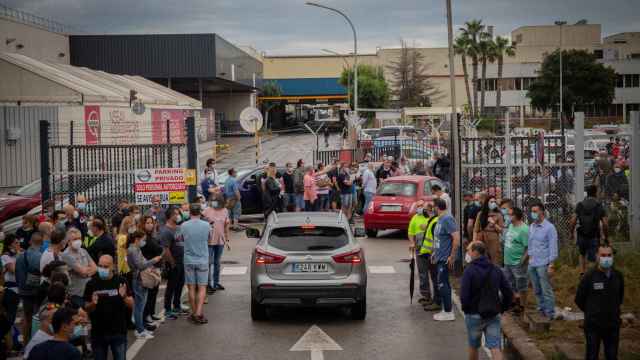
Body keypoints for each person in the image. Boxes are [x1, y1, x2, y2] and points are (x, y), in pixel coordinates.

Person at [461, 241, 513, 360]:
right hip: (493, 314)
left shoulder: (469, 270)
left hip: (474, 314)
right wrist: (502, 308)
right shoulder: (496, 269)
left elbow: (464, 295)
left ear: (475, 252)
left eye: (468, 250)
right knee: (495, 347)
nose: (467, 253)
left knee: (473, 346)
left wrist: (467, 310)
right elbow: (508, 293)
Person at [575, 245, 624, 360]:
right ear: (597, 256)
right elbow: (579, 299)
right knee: (592, 355)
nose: (606, 258)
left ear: (613, 256)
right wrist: (592, 311)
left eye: (609, 255)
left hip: (612, 324)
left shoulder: (618, 276)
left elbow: (620, 297)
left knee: (612, 355)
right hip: (593, 325)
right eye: (603, 255)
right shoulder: (589, 276)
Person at [83, 255, 133, 360]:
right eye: (100, 266)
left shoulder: (121, 281)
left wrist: (123, 296)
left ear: (113, 267)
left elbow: (131, 304)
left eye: (105, 266)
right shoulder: (91, 284)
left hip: (118, 332)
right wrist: (93, 303)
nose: (102, 269)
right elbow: (87, 308)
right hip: (98, 333)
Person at [178, 203, 211, 324]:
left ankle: (193, 313)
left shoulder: (184, 225)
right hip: (202, 259)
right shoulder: (206, 225)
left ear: (190, 212)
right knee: (202, 288)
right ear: (200, 212)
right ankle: (199, 312)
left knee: (191, 287)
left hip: (189, 259)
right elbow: (209, 239)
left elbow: (180, 239)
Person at [127, 230, 162, 338]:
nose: (144, 242)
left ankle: (141, 328)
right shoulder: (133, 250)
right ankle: (140, 330)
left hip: (140, 279)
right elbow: (140, 265)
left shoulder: (136, 249)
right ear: (137, 239)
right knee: (139, 306)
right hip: (139, 280)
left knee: (141, 305)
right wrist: (153, 260)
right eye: (143, 240)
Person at [431, 198, 460, 321]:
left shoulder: (447, 219)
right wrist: (434, 252)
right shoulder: (440, 219)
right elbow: (439, 239)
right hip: (440, 256)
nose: (432, 209)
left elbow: (456, 238)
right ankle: (445, 309)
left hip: (445, 258)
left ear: (437, 207)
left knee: (443, 284)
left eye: (433, 206)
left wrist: (452, 256)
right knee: (442, 283)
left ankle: (448, 312)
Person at [527, 202, 558, 320]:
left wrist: (551, 264)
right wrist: (529, 257)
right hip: (533, 262)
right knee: (536, 289)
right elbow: (530, 243)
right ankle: (541, 309)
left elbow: (553, 246)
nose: (533, 214)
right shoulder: (532, 226)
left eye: (535, 211)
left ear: (542, 212)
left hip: (543, 263)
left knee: (546, 289)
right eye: (532, 211)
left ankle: (550, 313)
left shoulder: (549, 228)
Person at [570, 185, 608, 275]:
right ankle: (592, 277)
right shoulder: (599, 206)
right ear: (595, 193)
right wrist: (606, 236)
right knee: (594, 258)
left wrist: (571, 233)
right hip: (594, 235)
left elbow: (572, 221)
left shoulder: (580, 204)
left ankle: (582, 273)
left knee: (582, 254)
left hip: (582, 235)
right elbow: (605, 224)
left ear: (587, 193)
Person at [159, 208, 187, 320]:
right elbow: (166, 249)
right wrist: (172, 262)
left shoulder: (179, 227)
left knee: (180, 285)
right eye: (176, 214)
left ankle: (176, 306)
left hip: (182, 261)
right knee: (171, 286)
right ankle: (167, 309)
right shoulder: (166, 231)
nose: (178, 216)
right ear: (170, 216)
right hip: (173, 263)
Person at [16, 231, 44, 343]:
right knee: (37, 318)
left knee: (27, 319)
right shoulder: (40, 256)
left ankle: (26, 344)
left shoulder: (20, 256)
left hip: (23, 291)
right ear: (41, 243)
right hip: (36, 292)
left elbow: (17, 275)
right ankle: (36, 343)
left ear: (30, 241)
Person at [502, 207, 529, 315]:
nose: (507, 216)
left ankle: (522, 306)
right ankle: (514, 303)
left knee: (521, 285)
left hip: (517, 263)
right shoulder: (511, 226)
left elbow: (528, 248)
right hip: (508, 261)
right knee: (510, 283)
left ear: (515, 216)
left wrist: (522, 261)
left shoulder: (524, 229)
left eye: (509, 214)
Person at [139, 216, 164, 327]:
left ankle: (151, 313)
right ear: (143, 224)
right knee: (148, 294)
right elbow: (157, 249)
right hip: (148, 268)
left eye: (151, 223)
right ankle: (146, 316)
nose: (150, 225)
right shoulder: (143, 238)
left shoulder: (152, 236)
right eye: (147, 223)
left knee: (154, 292)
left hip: (155, 267)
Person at [61, 228, 96, 308]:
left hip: (88, 291)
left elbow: (95, 268)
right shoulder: (66, 255)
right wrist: (88, 270)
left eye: (79, 238)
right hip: (76, 294)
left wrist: (86, 271)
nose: (78, 241)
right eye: (75, 239)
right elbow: (83, 272)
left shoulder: (83, 251)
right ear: (68, 241)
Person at [203, 195, 230, 294]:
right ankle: (208, 284)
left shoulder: (225, 211)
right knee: (208, 263)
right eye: (212, 200)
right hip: (209, 240)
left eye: (215, 201)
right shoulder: (207, 210)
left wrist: (227, 238)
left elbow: (227, 224)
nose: (213, 202)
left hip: (220, 240)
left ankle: (216, 282)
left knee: (217, 262)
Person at [407, 200, 432, 304]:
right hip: (419, 249)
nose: (420, 208)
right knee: (422, 273)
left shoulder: (432, 218)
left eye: (422, 206)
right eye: (418, 206)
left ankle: (437, 297)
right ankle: (426, 295)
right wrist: (412, 242)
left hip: (431, 250)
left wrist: (427, 225)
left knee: (434, 274)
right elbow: (410, 232)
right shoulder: (415, 217)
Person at [473, 195, 504, 266]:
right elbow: (475, 229)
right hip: (481, 238)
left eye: (495, 202)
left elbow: (501, 230)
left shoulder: (499, 215)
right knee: (481, 259)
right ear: (487, 203)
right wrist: (474, 242)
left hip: (493, 239)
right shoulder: (480, 214)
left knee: (495, 260)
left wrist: (494, 224)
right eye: (491, 202)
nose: (493, 203)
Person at [2, 234, 21, 328]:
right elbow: (14, 270)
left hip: (18, 289)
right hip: (10, 290)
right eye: (16, 243)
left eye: (18, 242)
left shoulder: (18, 254)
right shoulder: (5, 256)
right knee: (9, 318)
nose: (19, 244)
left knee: (11, 318)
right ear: (10, 245)